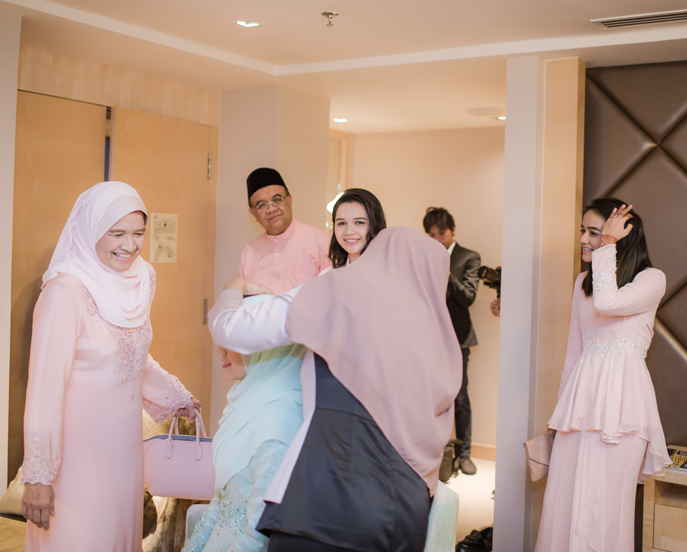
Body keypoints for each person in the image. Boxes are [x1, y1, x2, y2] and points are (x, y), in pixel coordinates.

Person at [208, 227, 462, 552]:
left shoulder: (338, 292)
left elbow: (231, 329)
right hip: (404, 513)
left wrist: (233, 289)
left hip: (328, 498)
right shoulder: (438, 343)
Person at [20, 182, 200, 552]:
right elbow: (43, 391)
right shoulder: (65, 291)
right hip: (76, 456)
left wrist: (175, 395)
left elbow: (131, 357)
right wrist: (38, 476)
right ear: (90, 230)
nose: (129, 245)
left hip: (124, 452)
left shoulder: (142, 280)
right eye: (116, 234)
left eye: (138, 233)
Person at [535, 198, 670, 552]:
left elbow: (608, 303)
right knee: (564, 500)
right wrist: (560, 414)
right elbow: (574, 351)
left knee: (609, 504)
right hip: (580, 406)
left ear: (622, 236)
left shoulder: (652, 279)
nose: (583, 239)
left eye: (593, 232)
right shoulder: (583, 281)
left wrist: (607, 243)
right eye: (583, 230)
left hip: (624, 408)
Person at [184, 296, 305, 552]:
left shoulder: (280, 422)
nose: (220, 350)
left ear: (269, 349)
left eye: (233, 341)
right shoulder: (246, 406)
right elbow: (220, 503)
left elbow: (259, 534)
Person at [424, 207, 480, 475]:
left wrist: (445, 272)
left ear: (453, 230)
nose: (437, 240)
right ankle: (436, 453)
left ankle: (464, 453)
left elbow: (468, 297)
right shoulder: (424, 257)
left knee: (461, 397)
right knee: (432, 395)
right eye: (432, 235)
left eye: (442, 234)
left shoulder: (469, 257)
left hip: (458, 337)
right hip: (430, 336)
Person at [240, 167, 331, 294]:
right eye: (261, 205)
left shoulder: (321, 241)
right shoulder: (249, 253)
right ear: (253, 213)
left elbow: (335, 294)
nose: (271, 209)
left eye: (277, 199)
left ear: (289, 200)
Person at [328, 188, 387, 268]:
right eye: (342, 223)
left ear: (376, 224)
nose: (348, 232)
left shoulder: (395, 273)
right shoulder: (328, 274)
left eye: (359, 222)